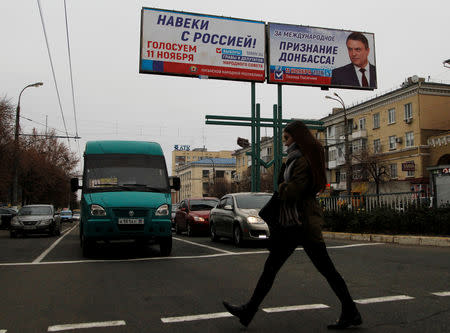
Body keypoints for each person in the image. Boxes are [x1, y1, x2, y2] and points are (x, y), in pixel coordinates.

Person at [223, 120, 362, 330]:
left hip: (302, 223)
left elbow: (293, 191)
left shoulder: (302, 161)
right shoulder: (294, 159)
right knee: (272, 267)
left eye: (287, 138)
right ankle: (248, 310)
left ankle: (351, 311)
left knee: (326, 270)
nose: (285, 143)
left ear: (297, 138)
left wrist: (281, 186)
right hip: (293, 224)